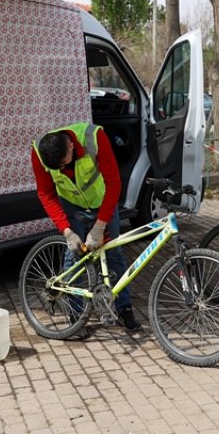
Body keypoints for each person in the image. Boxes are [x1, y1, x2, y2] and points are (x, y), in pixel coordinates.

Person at [32, 122, 140, 331]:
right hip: (72, 207)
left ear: (71, 146)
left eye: (64, 164)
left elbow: (114, 183)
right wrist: (66, 230)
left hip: (103, 202)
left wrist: (99, 226)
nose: (62, 170)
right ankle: (75, 315)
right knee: (73, 258)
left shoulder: (95, 138)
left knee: (114, 253)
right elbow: (46, 194)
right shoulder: (39, 153)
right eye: (57, 169)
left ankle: (124, 308)